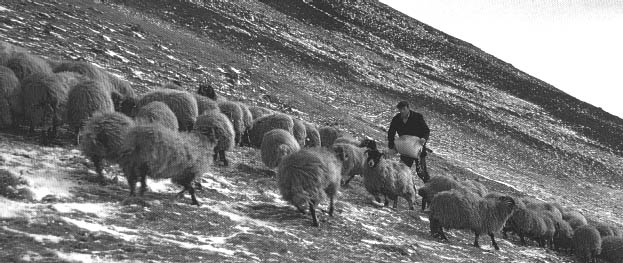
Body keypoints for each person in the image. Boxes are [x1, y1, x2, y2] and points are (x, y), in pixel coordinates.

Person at [387, 101, 430, 182]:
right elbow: (391, 132)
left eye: (404, 109)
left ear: (408, 108)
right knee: (402, 171)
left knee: (421, 172)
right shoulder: (396, 119)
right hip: (405, 149)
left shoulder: (417, 117)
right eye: (400, 109)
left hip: (419, 149)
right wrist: (391, 144)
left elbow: (426, 131)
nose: (402, 111)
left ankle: (429, 187)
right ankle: (406, 188)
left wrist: (424, 138)